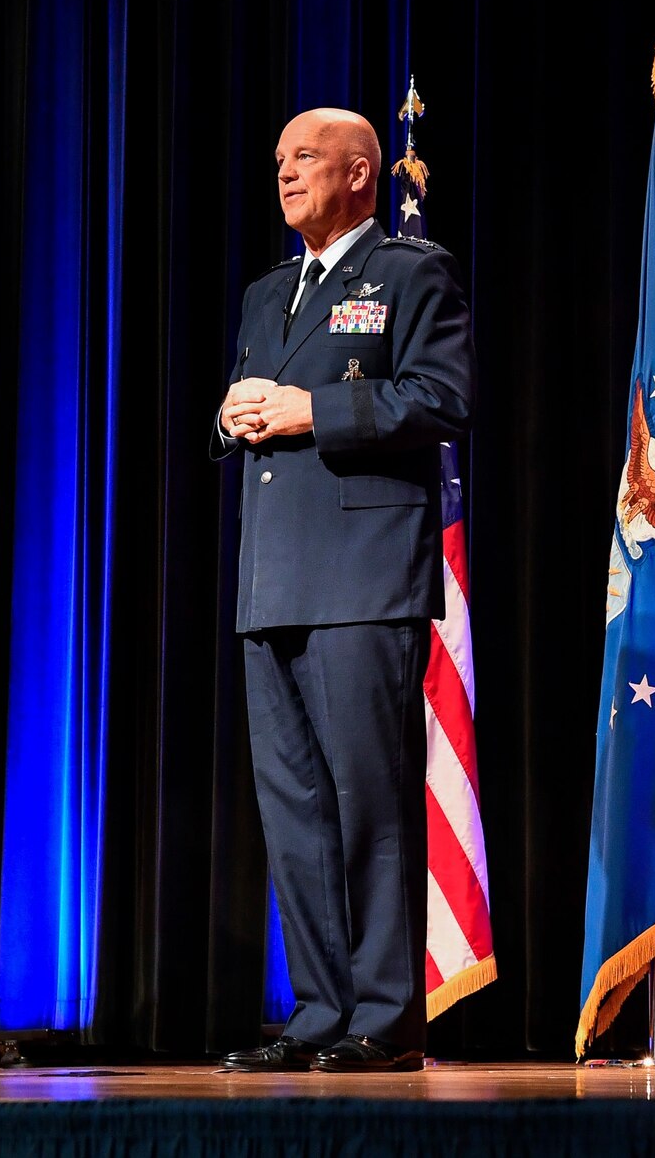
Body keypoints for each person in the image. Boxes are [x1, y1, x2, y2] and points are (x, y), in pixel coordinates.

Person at [212, 108, 474, 1073]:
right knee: (295, 812)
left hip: (364, 578)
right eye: (279, 159)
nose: (285, 174)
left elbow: (444, 398)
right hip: (271, 575)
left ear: (362, 173)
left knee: (369, 802)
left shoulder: (411, 272)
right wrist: (238, 413)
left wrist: (310, 408)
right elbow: (254, 408)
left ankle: (385, 1016)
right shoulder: (266, 292)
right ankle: (319, 1011)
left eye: (306, 158)